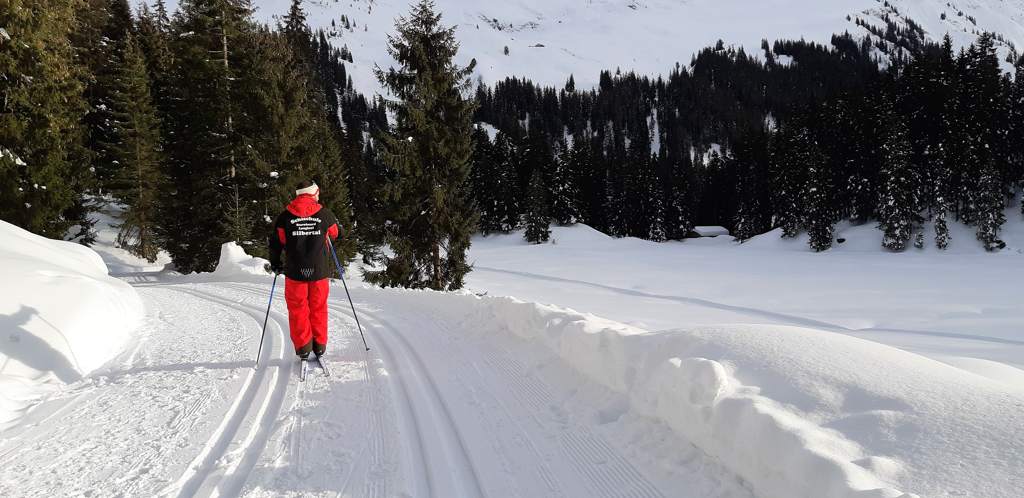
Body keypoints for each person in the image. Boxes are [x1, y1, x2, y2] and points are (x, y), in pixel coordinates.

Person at [268, 180, 340, 359]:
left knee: (298, 308)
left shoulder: (285, 217)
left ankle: (303, 347)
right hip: (319, 271)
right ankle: (320, 345)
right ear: (314, 193)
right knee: (318, 307)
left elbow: (276, 243)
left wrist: (275, 262)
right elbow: (336, 234)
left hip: (295, 271)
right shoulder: (325, 214)